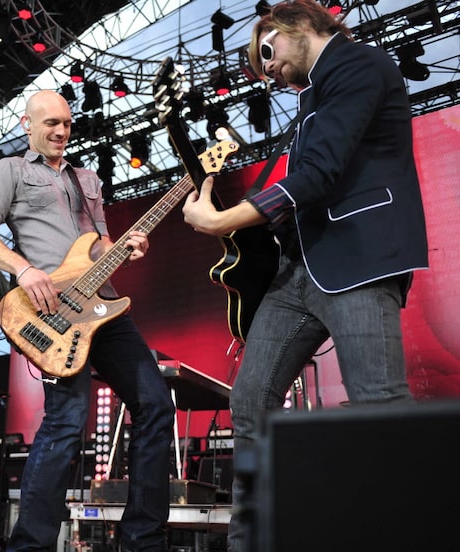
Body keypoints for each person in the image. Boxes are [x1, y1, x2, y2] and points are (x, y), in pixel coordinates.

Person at [181, 1, 428, 549]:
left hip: (360, 259)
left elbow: (319, 173)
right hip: (300, 271)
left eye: (265, 52)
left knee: (379, 407)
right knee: (250, 401)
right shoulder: (313, 96)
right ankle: (254, 538)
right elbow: (304, 187)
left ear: (299, 28)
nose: (263, 69)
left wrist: (222, 218)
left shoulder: (360, 65)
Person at [0, 90, 176, 552]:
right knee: (67, 420)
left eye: (66, 123)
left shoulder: (87, 178)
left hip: (105, 305)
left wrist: (124, 247)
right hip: (55, 312)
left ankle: (142, 540)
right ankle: (30, 545)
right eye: (50, 124)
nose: (61, 131)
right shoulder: (11, 171)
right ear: (27, 124)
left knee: (156, 405)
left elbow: (97, 244)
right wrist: (23, 268)